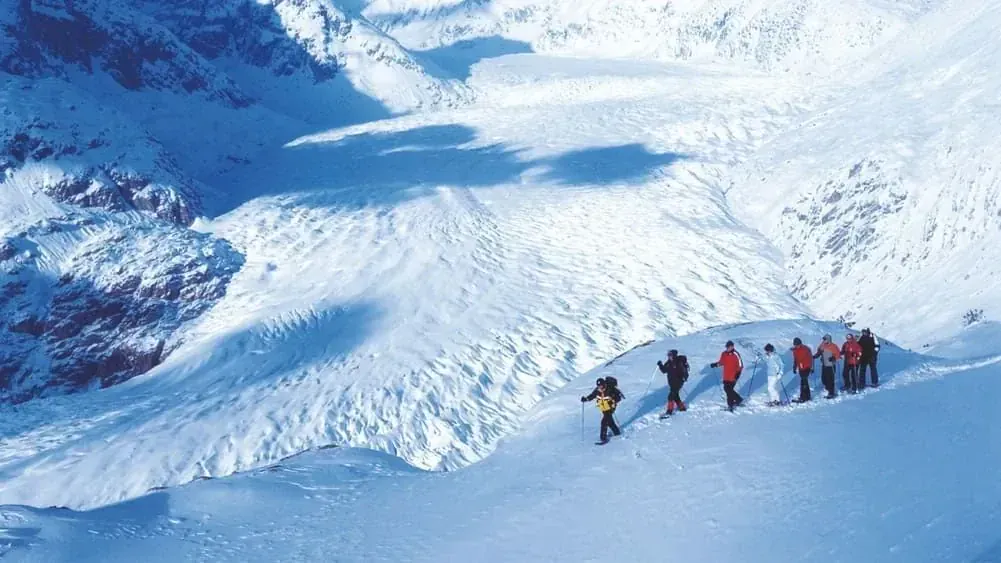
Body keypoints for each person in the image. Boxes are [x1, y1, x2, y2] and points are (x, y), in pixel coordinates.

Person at [581, 377, 624, 444]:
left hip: (610, 407)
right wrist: (585, 399)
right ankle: (617, 433)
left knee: (604, 422)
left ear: (604, 384)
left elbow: (618, 398)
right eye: (598, 386)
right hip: (603, 408)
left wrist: (612, 401)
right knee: (610, 422)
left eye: (601, 386)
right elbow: (592, 396)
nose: (600, 388)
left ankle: (603, 438)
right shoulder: (597, 390)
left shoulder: (610, 389)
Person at [710, 340, 743, 411]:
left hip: (734, 376)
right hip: (726, 376)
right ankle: (738, 400)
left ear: (733, 347)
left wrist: (737, 374)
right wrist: (715, 364)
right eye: (727, 347)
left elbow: (740, 365)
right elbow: (721, 362)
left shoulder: (736, 354)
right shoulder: (724, 354)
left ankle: (730, 405)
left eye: (730, 347)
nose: (728, 348)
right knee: (727, 389)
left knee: (729, 390)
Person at [657, 349, 689, 416]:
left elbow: (684, 372)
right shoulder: (668, 363)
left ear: (674, 355)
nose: (668, 356)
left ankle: (669, 411)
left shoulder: (678, 362)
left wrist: (683, 378)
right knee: (676, 396)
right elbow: (664, 370)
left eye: (670, 355)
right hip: (672, 383)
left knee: (670, 396)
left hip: (678, 382)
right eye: (668, 355)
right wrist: (660, 365)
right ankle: (682, 407)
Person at [814, 334, 841, 398]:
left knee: (830, 379)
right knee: (824, 379)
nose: (824, 340)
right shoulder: (822, 345)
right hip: (824, 364)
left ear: (828, 339)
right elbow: (819, 352)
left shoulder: (833, 346)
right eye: (823, 339)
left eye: (825, 339)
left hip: (831, 365)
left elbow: (838, 355)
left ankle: (831, 392)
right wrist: (815, 356)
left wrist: (833, 358)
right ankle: (828, 388)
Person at [791, 337, 813, 402]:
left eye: (797, 344)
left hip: (806, 367)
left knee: (803, 382)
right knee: (804, 382)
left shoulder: (806, 349)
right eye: (795, 345)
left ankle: (803, 397)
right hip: (801, 368)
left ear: (800, 343)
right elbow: (796, 359)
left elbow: (810, 359)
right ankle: (807, 396)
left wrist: (811, 368)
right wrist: (794, 367)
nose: (796, 346)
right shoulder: (795, 351)